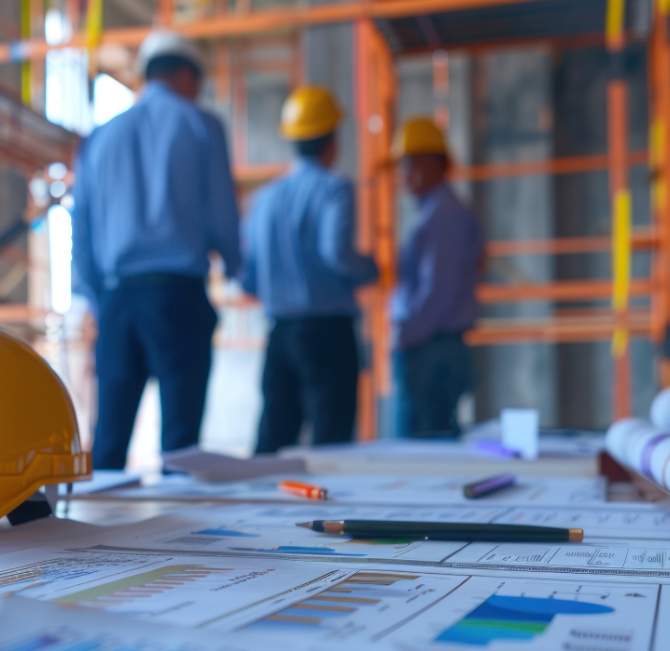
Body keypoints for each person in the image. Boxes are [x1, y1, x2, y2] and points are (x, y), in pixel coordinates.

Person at [71, 31, 241, 470]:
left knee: (108, 442)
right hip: (178, 297)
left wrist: (97, 299)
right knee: (180, 451)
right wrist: (240, 268)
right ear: (187, 73)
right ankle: (174, 539)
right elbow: (223, 214)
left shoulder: (101, 138)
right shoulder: (201, 125)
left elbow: (82, 230)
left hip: (118, 298)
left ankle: (90, 535)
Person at [242, 86, 378, 453]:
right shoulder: (335, 189)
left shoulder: (263, 199)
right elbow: (337, 253)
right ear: (332, 140)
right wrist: (371, 269)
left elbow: (249, 278)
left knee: (273, 440)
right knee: (331, 443)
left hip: (280, 334)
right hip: (328, 334)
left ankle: (259, 510)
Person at [390, 117, 484, 438]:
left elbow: (439, 290)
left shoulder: (444, 214)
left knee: (420, 449)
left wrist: (408, 334)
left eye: (413, 162)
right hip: (433, 345)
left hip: (431, 348)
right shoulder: (437, 211)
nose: (405, 172)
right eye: (403, 164)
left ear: (437, 163)